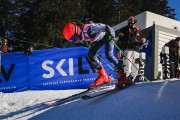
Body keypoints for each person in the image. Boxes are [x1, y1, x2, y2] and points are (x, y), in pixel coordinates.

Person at [63, 21, 131, 89]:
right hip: (99, 39)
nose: (74, 41)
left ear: (77, 31)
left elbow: (106, 27)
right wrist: (88, 43)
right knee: (91, 55)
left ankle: (122, 76)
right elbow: (89, 36)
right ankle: (103, 76)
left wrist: (111, 35)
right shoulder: (82, 35)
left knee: (109, 55)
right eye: (71, 40)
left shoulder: (89, 30)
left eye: (73, 39)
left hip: (107, 35)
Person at [116, 16, 146, 85]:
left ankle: (131, 80)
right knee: (127, 68)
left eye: (133, 21)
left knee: (136, 69)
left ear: (135, 22)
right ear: (128, 21)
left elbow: (140, 41)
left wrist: (142, 42)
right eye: (130, 21)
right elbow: (120, 41)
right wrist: (119, 50)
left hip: (136, 52)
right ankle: (122, 81)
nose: (131, 22)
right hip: (127, 50)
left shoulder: (138, 30)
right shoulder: (123, 29)